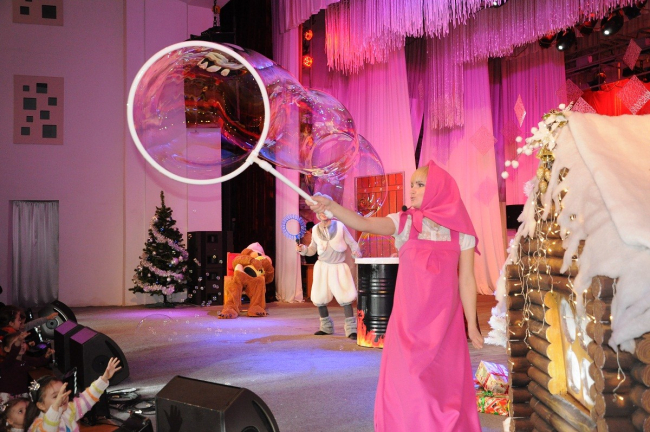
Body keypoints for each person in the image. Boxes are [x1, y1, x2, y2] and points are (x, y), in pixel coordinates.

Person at [308, 161, 484, 431]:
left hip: (445, 323)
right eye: (412, 184)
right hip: (408, 322)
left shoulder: (461, 232)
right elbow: (363, 222)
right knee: (410, 383)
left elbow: (467, 279)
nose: (412, 190)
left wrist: (471, 324)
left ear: (439, 189)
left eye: (420, 185)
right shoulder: (403, 222)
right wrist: (332, 207)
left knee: (445, 388)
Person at [297, 196, 362, 339]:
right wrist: (303, 249)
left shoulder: (340, 226)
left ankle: (351, 329)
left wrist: (356, 252)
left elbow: (352, 243)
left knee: (346, 297)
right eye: (320, 211)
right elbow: (312, 250)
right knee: (319, 297)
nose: (323, 213)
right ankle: (326, 327)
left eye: (325, 209)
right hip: (322, 267)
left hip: (339, 267)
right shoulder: (315, 229)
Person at [24, 357, 121, 432]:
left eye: (63, 392)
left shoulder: (68, 410)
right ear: (41, 405)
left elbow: (87, 397)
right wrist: (55, 408)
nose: (62, 397)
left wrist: (104, 379)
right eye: (55, 396)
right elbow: (49, 427)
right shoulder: (38, 426)